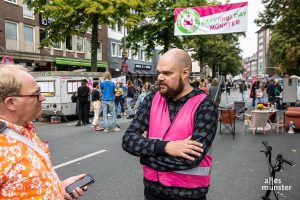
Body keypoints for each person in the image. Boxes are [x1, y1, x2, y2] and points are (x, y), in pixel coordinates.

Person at [122, 49, 218, 200]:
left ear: (185, 73)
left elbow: (190, 159)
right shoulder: (151, 99)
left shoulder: (205, 106)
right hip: (152, 193)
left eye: (167, 73)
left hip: (189, 195)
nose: (159, 78)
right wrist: (166, 147)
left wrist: (145, 157)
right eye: (159, 72)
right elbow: (128, 140)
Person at [0, 64, 87, 199]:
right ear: (11, 103)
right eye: (36, 94)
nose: (43, 98)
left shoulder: (25, 130)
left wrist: (59, 187)